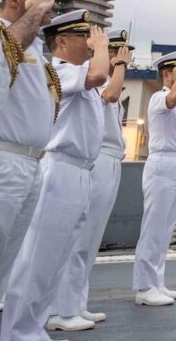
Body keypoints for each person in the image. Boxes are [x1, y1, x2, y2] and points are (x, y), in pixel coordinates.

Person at [0, 11, 110, 341]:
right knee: (37, 260)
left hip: (80, 173)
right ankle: (19, 332)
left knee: (56, 260)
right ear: (60, 41)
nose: (91, 43)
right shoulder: (61, 70)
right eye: (84, 37)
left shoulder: (77, 75)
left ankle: (33, 328)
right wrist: (103, 46)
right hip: (59, 169)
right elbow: (99, 74)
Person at [52, 29, 133, 328]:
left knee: (90, 239)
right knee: (78, 239)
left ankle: (76, 303)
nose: (121, 57)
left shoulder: (107, 79)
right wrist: (118, 66)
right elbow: (109, 94)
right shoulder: (91, 77)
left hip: (107, 161)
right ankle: (62, 307)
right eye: (116, 52)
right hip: (93, 159)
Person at [0, 0, 59, 313]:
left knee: (4, 263)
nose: (50, 5)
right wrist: (33, 15)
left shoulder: (32, 45)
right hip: (4, 159)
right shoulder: (5, 35)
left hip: (31, 162)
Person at [133, 50, 176, 307]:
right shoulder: (161, 98)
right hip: (163, 164)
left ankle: (156, 281)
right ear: (167, 74)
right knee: (154, 227)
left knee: (165, 228)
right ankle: (144, 287)